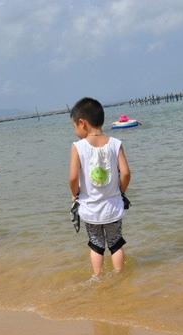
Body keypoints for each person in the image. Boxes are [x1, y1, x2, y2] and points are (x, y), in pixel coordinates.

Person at [68, 98, 131, 280]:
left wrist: (75, 194)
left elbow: (73, 178)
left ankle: (97, 276)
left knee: (96, 244)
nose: (75, 131)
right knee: (116, 242)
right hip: (112, 206)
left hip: (90, 208)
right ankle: (119, 275)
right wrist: (121, 190)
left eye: (74, 126)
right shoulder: (115, 143)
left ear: (82, 123)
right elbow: (126, 173)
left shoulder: (77, 147)